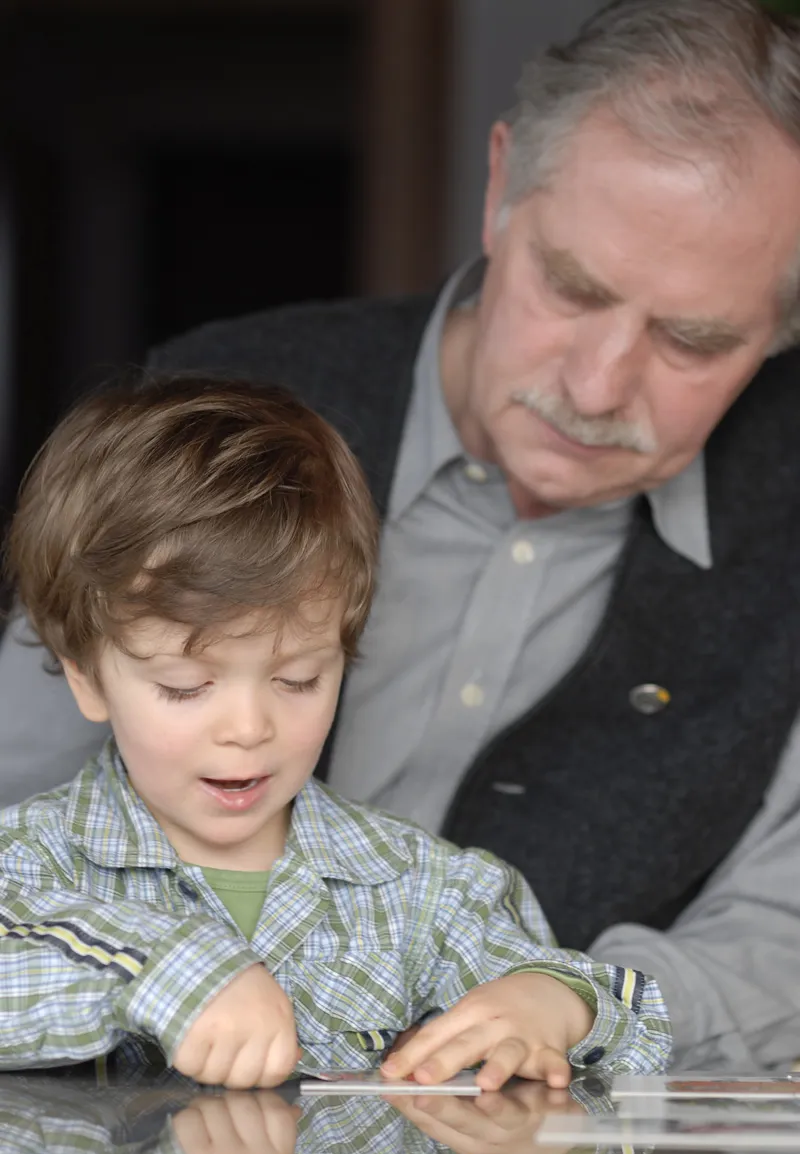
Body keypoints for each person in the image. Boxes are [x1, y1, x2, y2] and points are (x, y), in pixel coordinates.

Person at [1, 0, 799, 1071]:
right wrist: (148, 970)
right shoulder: (208, 420)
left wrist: (570, 1004)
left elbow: (779, 933)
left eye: (691, 340)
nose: (596, 384)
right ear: (498, 186)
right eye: (570, 287)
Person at [0, 377, 671, 1094]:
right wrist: (167, 966)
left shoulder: (428, 892)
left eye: (298, 680)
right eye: (186, 686)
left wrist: (554, 1003)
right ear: (87, 679)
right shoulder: (25, 868)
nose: (250, 729)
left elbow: (637, 1022)